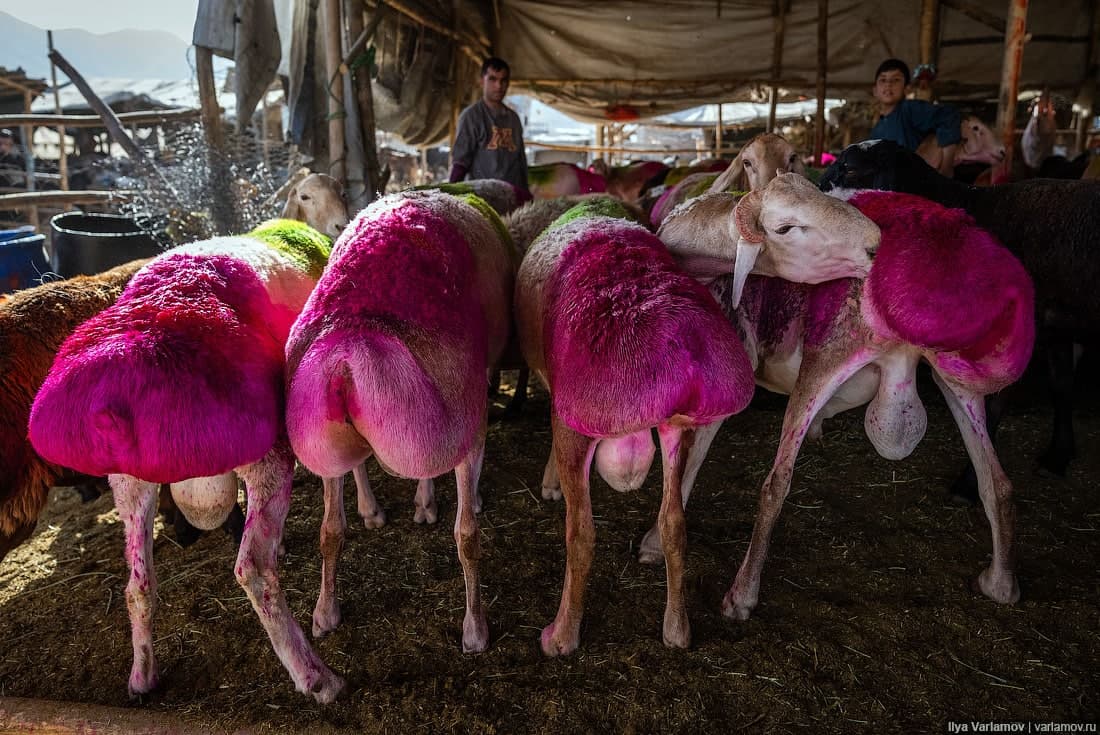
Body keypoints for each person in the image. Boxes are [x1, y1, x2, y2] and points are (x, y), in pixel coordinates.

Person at [449, 57, 529, 192]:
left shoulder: (513, 119)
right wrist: (451, 192)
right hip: (483, 195)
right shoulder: (471, 116)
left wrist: (525, 193)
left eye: (503, 80)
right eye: (492, 79)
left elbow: (521, 161)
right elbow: (461, 162)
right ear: (482, 81)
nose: (498, 86)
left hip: (512, 196)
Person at [870, 59, 960, 176]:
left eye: (896, 80)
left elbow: (949, 115)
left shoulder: (910, 109)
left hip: (916, 183)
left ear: (907, 89)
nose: (888, 84)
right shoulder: (877, 128)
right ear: (875, 91)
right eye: (883, 80)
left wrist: (947, 166)